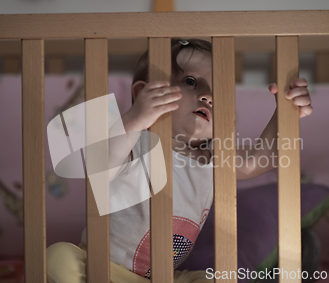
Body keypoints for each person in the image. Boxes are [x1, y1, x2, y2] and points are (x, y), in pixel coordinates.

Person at [46, 38, 312, 283]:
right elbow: (100, 165)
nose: (208, 95)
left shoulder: (213, 159)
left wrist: (286, 112)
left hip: (164, 277)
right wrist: (134, 119)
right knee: (58, 258)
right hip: (103, 270)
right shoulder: (136, 141)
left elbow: (257, 161)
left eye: (218, 89)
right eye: (191, 81)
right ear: (143, 95)